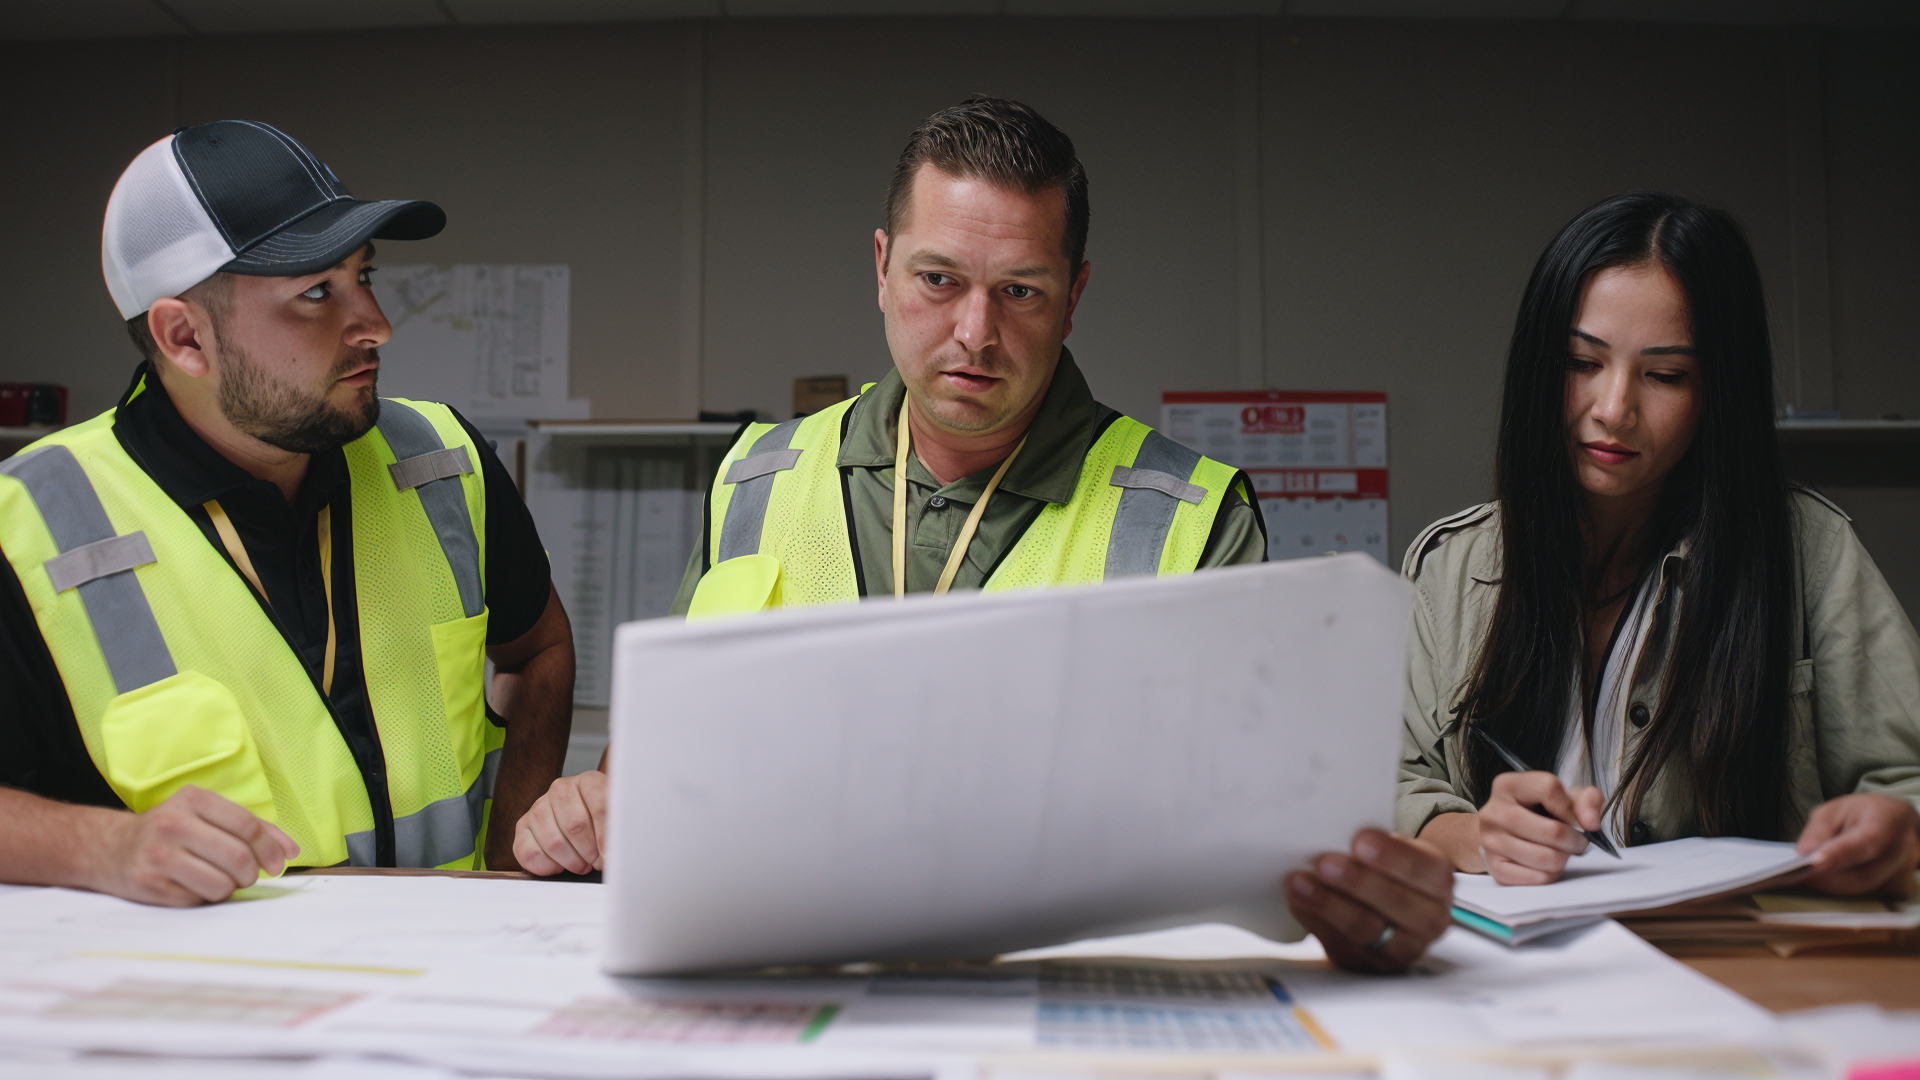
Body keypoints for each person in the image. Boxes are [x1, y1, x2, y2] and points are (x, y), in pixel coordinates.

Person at [518, 97, 1456, 974]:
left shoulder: (1188, 511)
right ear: (881, 266)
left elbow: (1270, 840)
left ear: (1075, 292)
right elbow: (652, 770)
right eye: (938, 279)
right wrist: (593, 808)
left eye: (1020, 291)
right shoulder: (759, 476)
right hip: (787, 987)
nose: (975, 332)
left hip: (1064, 1008)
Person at [0, 121, 575, 905]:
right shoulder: (31, 520)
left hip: (446, 989)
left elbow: (539, 649)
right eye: (316, 293)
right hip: (205, 1007)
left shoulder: (441, 460)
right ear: (184, 337)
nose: (375, 323)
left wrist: (516, 871)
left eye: (364, 275)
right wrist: (106, 846)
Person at [1398, 191, 1920, 895]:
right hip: (1516, 976)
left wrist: (1896, 828)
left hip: (1738, 973)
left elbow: (1905, 786)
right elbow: (1392, 784)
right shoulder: (1454, 567)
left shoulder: (1811, 551)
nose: (1614, 410)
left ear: (1717, 392)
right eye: (1583, 363)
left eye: (1665, 376)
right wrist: (1478, 836)